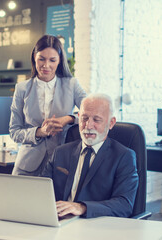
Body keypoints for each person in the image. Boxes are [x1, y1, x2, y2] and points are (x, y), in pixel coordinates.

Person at [41, 93, 138, 218]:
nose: (88, 125)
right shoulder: (60, 152)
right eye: (84, 118)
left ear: (111, 123)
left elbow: (124, 205)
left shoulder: (124, 157)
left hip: (95, 225)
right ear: (79, 117)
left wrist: (82, 207)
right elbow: (40, 190)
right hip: (59, 222)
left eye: (96, 120)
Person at [10, 35, 86, 176]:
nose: (46, 65)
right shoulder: (22, 88)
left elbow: (90, 114)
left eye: (52, 60)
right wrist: (39, 132)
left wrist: (68, 118)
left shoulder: (72, 85)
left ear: (59, 60)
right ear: (34, 57)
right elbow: (15, 132)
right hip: (27, 165)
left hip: (62, 163)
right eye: (41, 59)